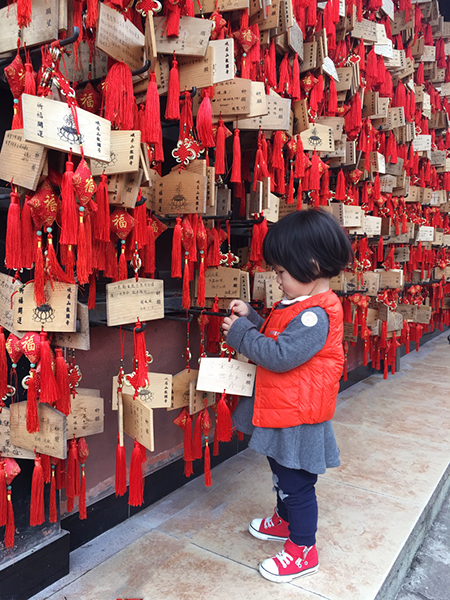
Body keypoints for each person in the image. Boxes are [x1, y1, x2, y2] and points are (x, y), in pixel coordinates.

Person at [222, 208, 353, 584]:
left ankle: (303, 549)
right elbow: (276, 335)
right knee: (281, 471)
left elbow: (280, 355)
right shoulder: (300, 304)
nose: (276, 279)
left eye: (280, 272)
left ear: (311, 265)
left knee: (296, 484)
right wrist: (251, 318)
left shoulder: (316, 316)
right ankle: (284, 521)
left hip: (299, 416)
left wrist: (241, 334)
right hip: (286, 409)